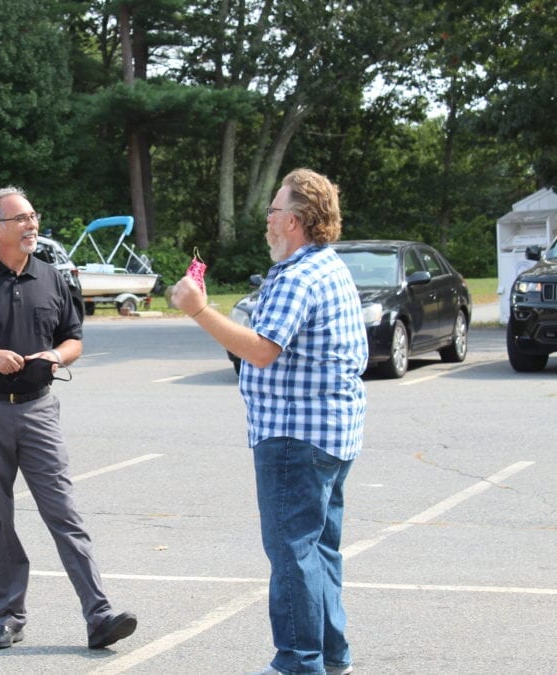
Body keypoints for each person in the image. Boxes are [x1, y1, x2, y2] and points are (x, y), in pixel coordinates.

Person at [172, 169, 367, 675]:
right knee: (319, 549)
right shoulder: (329, 265)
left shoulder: (298, 277)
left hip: (294, 436)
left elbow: (261, 351)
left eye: (273, 210)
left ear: (295, 221)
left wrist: (198, 309)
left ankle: (298, 662)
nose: (267, 220)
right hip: (330, 434)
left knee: (292, 552)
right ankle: (330, 655)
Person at [0, 186, 137, 651]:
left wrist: (56, 356)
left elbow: (74, 340)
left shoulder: (52, 278)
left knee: (64, 511)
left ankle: (99, 614)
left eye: (33, 216)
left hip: (39, 409)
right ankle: (7, 616)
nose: (32, 225)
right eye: (21, 218)